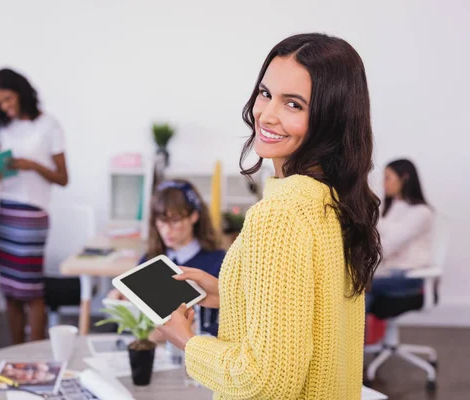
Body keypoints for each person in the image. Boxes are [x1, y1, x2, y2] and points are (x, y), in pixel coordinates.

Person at [159, 33, 382, 399]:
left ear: (330, 119)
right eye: (265, 93)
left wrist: (187, 342)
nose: (267, 114)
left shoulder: (280, 214)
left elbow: (263, 380)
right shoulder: (335, 199)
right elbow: (315, 318)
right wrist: (232, 292)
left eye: (294, 104)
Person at [0, 68, 69, 344]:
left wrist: (30, 164)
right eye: (0, 103)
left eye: (9, 99)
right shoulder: (1, 126)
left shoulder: (48, 125)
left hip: (33, 213)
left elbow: (63, 177)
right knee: (9, 289)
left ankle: (34, 351)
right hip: (6, 210)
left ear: (21, 93)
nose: (6, 106)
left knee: (31, 289)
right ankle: (14, 349)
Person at [108, 179, 225, 336]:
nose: (167, 230)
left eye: (175, 221)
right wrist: (120, 299)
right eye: (161, 221)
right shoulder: (150, 259)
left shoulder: (219, 262)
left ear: (194, 216)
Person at [366, 159, 433, 312]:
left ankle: (356, 336)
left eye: (388, 177)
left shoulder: (421, 212)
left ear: (405, 178)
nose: (384, 183)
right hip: (388, 273)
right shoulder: (387, 207)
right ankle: (359, 336)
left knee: (359, 287)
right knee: (360, 292)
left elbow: (385, 246)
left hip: (409, 276)